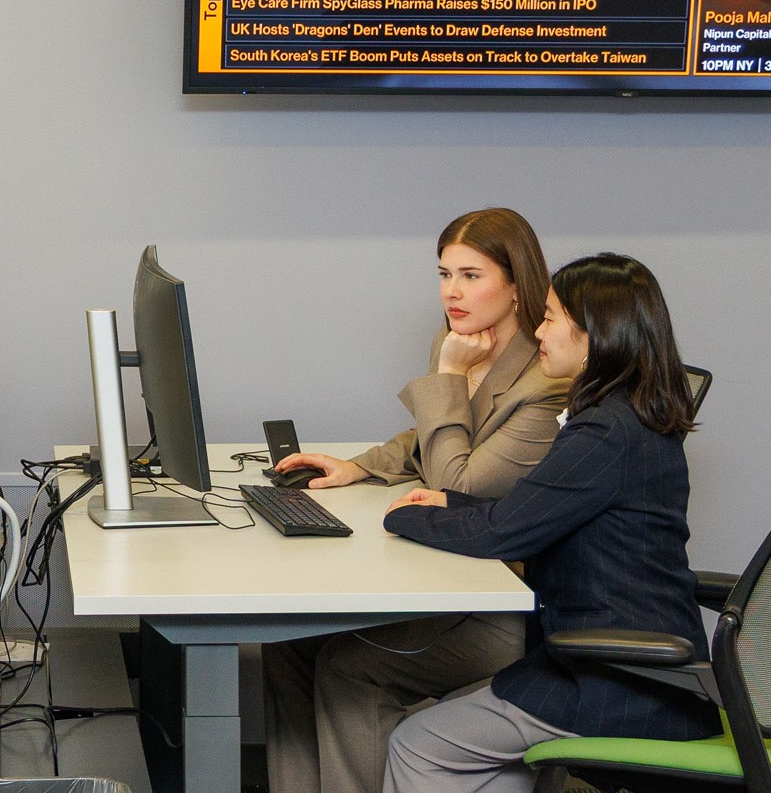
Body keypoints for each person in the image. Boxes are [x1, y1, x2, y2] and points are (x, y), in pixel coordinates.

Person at [379, 253, 715, 793]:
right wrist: (449, 505)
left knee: (419, 743)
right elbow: (531, 512)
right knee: (479, 747)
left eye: (552, 317)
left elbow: (501, 533)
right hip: (644, 665)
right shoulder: (631, 416)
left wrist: (406, 518)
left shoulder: (602, 434)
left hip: (613, 678)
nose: (539, 331)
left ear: (594, 336)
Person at [263, 207, 572, 793]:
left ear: (516, 284)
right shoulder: (460, 343)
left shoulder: (546, 381)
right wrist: (358, 466)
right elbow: (429, 439)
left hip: (508, 605)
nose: (451, 292)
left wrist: (450, 376)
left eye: (471, 276)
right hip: (454, 576)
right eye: (443, 274)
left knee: (349, 669)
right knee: (289, 649)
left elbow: (460, 477)